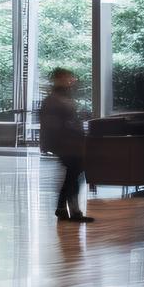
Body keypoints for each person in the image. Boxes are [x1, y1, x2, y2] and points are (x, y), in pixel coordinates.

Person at [38, 68, 91, 223]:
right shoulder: (55, 99)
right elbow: (55, 124)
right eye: (67, 77)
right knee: (74, 176)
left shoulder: (59, 97)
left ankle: (62, 208)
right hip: (67, 143)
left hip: (68, 142)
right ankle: (73, 211)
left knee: (72, 176)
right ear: (59, 78)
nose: (71, 80)